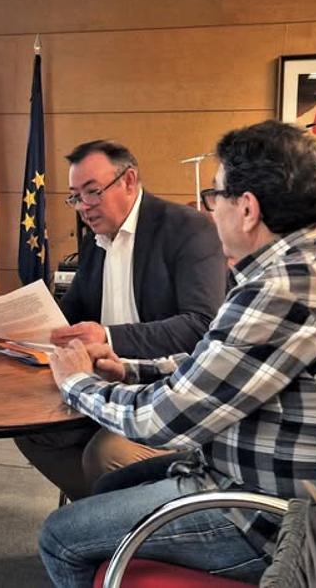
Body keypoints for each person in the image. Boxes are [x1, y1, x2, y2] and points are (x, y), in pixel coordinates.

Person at [38, 120, 316, 587]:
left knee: (61, 535)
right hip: (313, 490)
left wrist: (78, 383)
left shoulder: (285, 290)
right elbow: (229, 363)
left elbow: (161, 421)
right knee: (111, 485)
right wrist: (131, 368)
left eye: (215, 197)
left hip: (277, 520)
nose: (210, 209)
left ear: (248, 208)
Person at [16, 140, 227, 500]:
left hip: (166, 390)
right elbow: (75, 313)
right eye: (75, 197)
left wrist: (109, 337)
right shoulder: (96, 241)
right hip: (106, 380)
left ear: (129, 181)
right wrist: (26, 326)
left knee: (107, 455)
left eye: (92, 192)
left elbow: (200, 325)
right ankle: (104, 518)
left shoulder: (187, 228)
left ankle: (116, 527)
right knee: (32, 430)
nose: (83, 207)